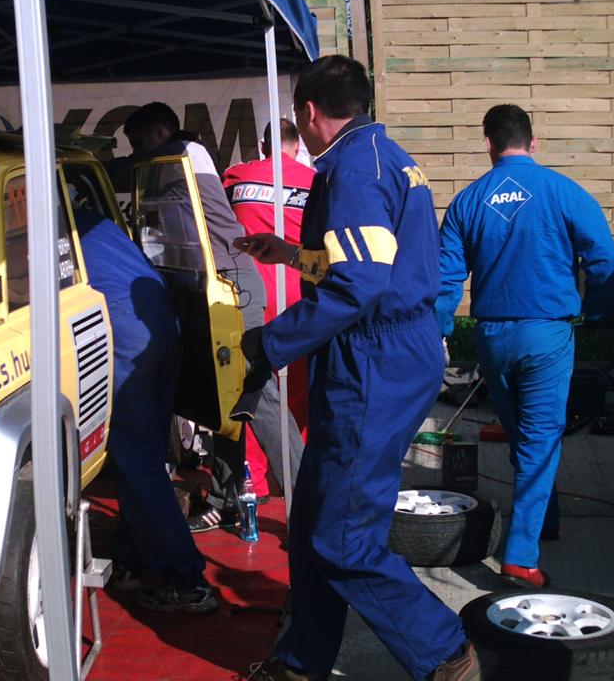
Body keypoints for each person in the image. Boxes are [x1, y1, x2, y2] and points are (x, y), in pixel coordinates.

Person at [235, 55, 478, 681]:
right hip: (389, 349)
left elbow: (358, 285)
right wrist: (291, 254)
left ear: (308, 111)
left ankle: (445, 651)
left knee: (342, 538)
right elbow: (365, 263)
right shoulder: (382, 156)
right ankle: (301, 662)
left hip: (375, 361)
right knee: (315, 518)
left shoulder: (352, 170)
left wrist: (269, 343)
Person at [436, 104, 614, 589]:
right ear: (533, 142)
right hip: (546, 335)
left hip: (492, 339)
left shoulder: (467, 200)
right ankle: (520, 558)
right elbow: (605, 262)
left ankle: (546, 517)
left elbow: (446, 278)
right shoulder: (564, 191)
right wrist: (599, 315)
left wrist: (439, 331)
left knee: (524, 436)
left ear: (489, 144)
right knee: (539, 440)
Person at [120, 103, 303, 534]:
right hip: (210, 285)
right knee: (224, 399)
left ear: (161, 133)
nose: (137, 154)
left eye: (140, 143)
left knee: (257, 393)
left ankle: (308, 502)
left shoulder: (188, 153)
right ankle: (227, 497)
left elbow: (140, 167)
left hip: (233, 286)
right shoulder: (170, 167)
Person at [71, 207, 217, 614]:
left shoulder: (41, 222)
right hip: (158, 321)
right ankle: (130, 559)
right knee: (144, 457)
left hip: (125, 332)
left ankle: (187, 579)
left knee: (136, 461)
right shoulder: (86, 215)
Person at [223, 118, 315, 503]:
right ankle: (297, 472)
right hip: (299, 291)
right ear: (297, 146)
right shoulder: (315, 181)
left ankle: (254, 481)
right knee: (299, 387)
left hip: (251, 294)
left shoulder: (236, 177)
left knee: (254, 389)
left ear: (263, 146)